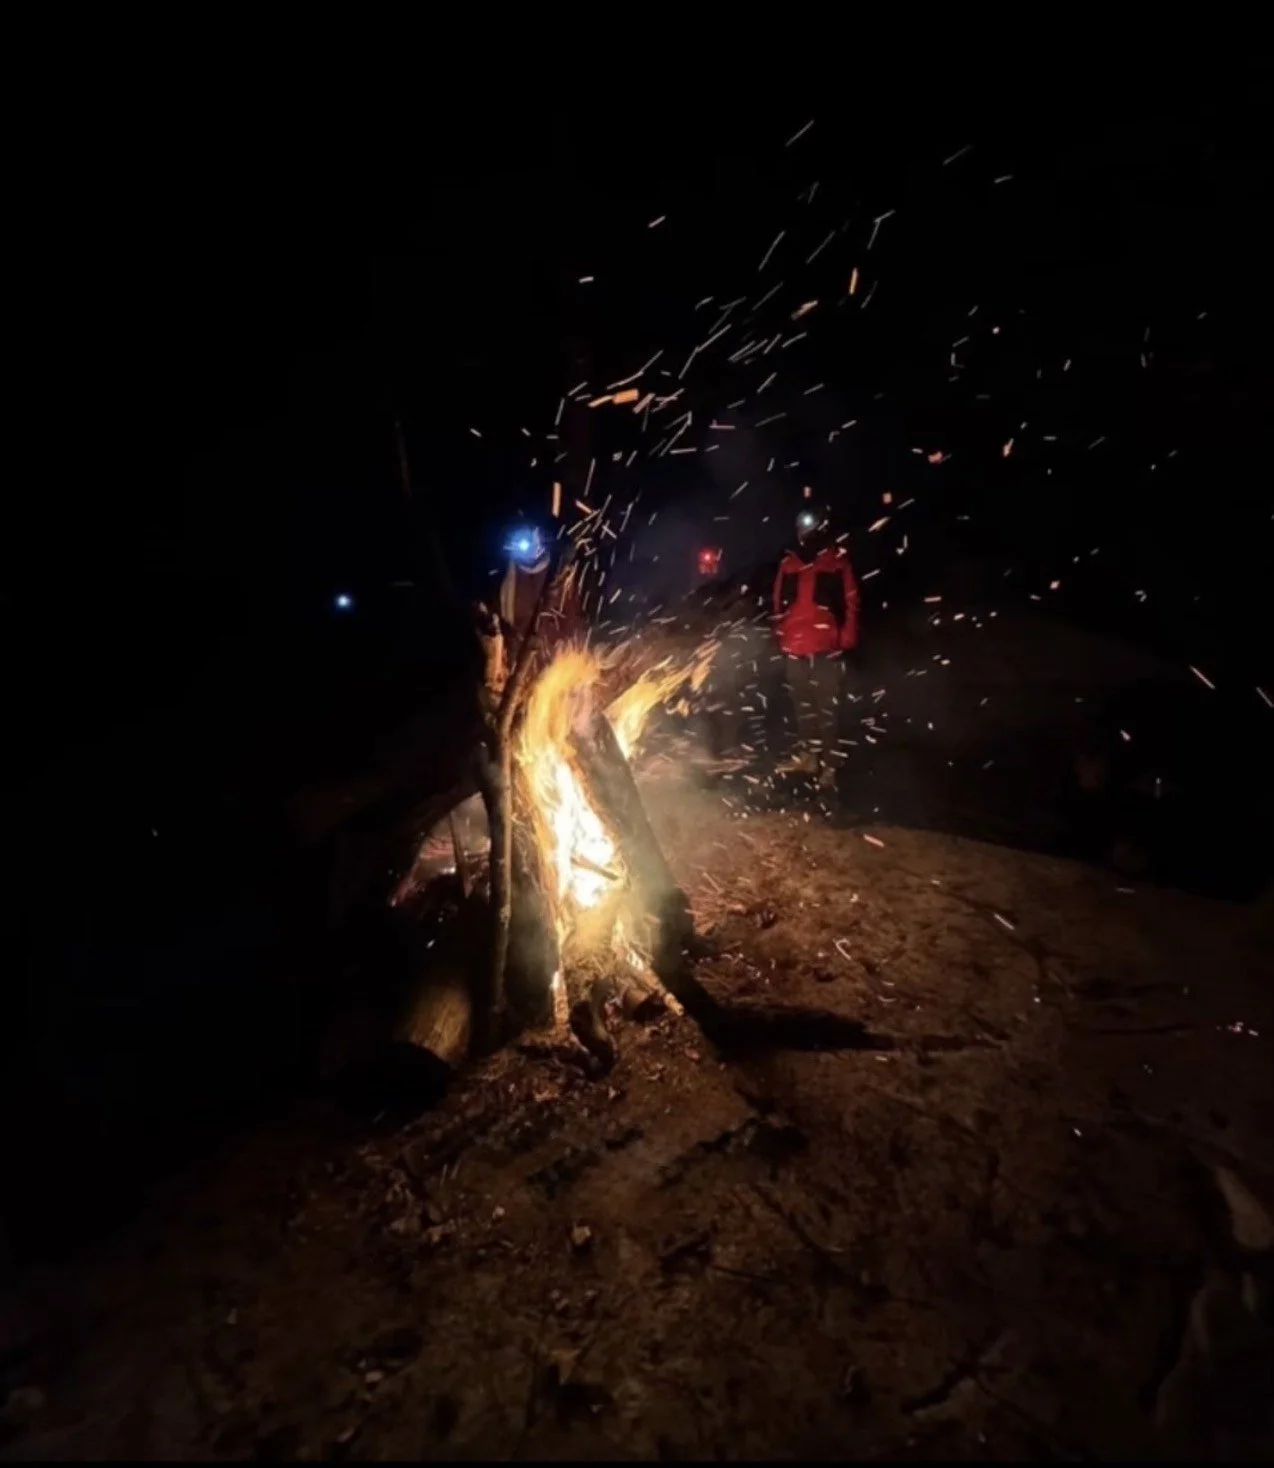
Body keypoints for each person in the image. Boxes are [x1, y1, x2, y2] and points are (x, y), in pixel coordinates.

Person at [773, 504, 860, 783]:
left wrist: (847, 636)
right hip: (795, 647)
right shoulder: (789, 565)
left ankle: (831, 764)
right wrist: (781, 633)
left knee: (827, 707)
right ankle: (809, 757)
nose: (805, 533)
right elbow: (777, 603)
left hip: (825, 647)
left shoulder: (836, 562)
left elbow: (851, 601)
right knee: (803, 705)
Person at [497, 523, 582, 656]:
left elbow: (574, 619)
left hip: (554, 659)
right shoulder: (505, 579)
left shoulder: (560, 575)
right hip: (518, 658)